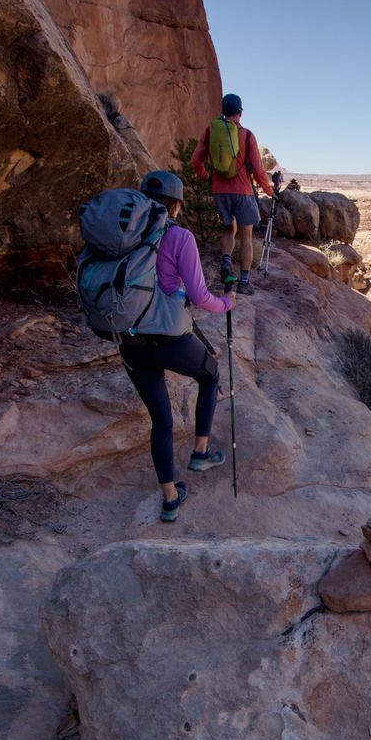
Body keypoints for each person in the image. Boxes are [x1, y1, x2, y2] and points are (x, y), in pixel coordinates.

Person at [124, 170, 235, 521]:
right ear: (174, 206)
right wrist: (228, 302)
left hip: (129, 340)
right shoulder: (179, 237)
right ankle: (200, 452)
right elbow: (201, 297)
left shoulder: (123, 235)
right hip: (168, 338)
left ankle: (170, 499)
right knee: (210, 375)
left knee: (161, 421)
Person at [190, 93, 276, 295]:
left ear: (223, 110)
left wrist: (208, 177)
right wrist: (269, 191)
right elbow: (257, 169)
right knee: (246, 237)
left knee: (229, 230)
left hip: (220, 192)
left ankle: (226, 263)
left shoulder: (211, 131)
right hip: (243, 192)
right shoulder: (246, 135)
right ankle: (244, 282)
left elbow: (195, 161)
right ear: (240, 112)